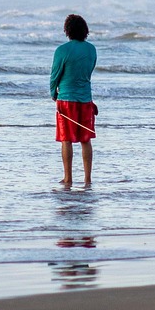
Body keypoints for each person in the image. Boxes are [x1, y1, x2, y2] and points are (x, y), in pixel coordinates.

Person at [50, 13, 97, 188]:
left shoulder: (61, 50)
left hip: (66, 100)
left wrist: (53, 93)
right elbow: (89, 71)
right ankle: (87, 179)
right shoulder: (91, 49)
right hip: (86, 99)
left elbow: (55, 75)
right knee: (86, 139)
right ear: (85, 30)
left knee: (66, 139)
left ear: (67, 31)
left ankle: (68, 177)